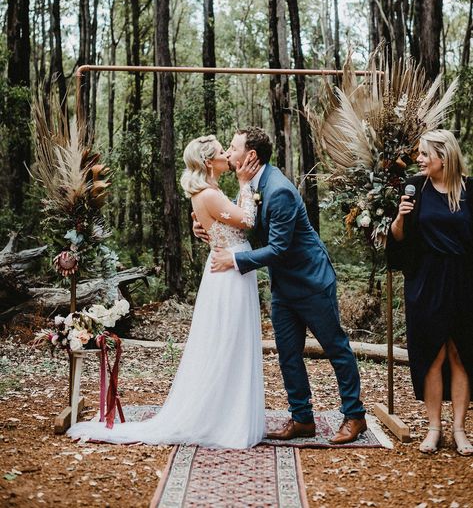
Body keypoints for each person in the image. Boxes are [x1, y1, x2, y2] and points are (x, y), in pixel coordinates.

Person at [68, 135, 265, 449]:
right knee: (229, 341)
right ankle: (226, 420)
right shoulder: (209, 194)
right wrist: (244, 182)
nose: (227, 155)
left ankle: (227, 411)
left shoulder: (208, 192)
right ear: (208, 162)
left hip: (230, 269)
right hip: (229, 274)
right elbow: (247, 221)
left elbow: (218, 227)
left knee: (230, 341)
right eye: (220, 153)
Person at [205, 126, 367, 444]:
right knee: (288, 354)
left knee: (336, 348)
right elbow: (247, 225)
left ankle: (354, 415)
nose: (228, 151)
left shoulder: (278, 190)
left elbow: (278, 247)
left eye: (233, 147)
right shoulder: (251, 185)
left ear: (250, 155)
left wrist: (234, 261)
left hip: (311, 282)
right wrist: (211, 230)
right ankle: (302, 418)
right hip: (283, 286)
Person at [387, 129, 473, 455]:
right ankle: (434, 428)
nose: (419, 159)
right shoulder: (416, 188)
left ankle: (460, 430)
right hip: (426, 280)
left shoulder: (469, 189)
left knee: (461, 353)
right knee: (433, 354)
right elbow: (398, 238)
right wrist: (400, 217)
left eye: (425, 154)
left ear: (444, 156)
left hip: (464, 280)